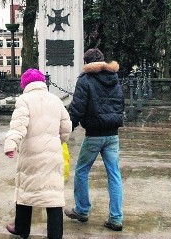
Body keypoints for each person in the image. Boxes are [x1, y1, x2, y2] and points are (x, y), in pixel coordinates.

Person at [4, 69, 72, 239]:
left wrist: (11, 144)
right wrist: (59, 142)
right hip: (53, 153)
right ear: (42, 82)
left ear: (25, 84)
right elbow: (66, 127)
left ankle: (22, 228)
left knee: (26, 189)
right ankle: (55, 234)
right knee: (53, 194)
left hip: (31, 154)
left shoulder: (24, 100)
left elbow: (18, 125)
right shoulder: (56, 100)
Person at [64, 48, 125, 231]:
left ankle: (82, 210)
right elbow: (120, 103)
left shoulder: (85, 80)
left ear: (86, 62)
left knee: (82, 171)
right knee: (114, 174)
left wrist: (67, 128)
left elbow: (78, 108)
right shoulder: (114, 78)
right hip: (112, 134)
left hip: (94, 134)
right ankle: (116, 218)